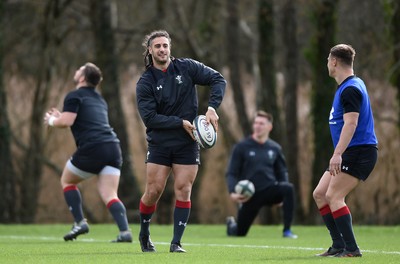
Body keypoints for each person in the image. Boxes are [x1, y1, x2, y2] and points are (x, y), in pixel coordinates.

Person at [135, 30, 226, 253]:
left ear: (170, 47)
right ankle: (144, 233)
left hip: (187, 142)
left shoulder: (186, 67)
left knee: (184, 189)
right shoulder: (145, 82)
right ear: (150, 50)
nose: (162, 50)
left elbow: (218, 79)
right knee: (154, 190)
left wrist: (212, 108)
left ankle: (176, 243)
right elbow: (150, 118)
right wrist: (179, 122)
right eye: (157, 46)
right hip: (160, 142)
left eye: (165, 45)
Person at [43, 62, 132, 243]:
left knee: (67, 180)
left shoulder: (74, 95)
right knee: (110, 194)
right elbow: (83, 120)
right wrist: (62, 117)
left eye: (79, 70)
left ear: (82, 78)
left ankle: (79, 222)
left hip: (94, 147)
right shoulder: (100, 99)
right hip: (113, 147)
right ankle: (125, 232)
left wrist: (52, 120)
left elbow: (67, 121)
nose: (76, 71)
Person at [313, 44, 378, 258]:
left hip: (359, 151)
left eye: (327, 61)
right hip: (350, 151)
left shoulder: (350, 88)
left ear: (334, 61)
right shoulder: (347, 86)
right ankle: (338, 245)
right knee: (321, 194)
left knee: (334, 195)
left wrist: (337, 154)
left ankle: (351, 249)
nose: (327, 65)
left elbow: (351, 124)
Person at [225, 110, 297, 239]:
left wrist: (281, 196)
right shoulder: (241, 147)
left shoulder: (275, 148)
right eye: (256, 123)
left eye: (261, 123)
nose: (257, 126)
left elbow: (281, 171)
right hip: (249, 194)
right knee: (239, 233)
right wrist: (232, 192)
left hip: (269, 190)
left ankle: (287, 230)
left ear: (269, 127)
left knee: (288, 188)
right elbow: (232, 172)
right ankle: (231, 224)